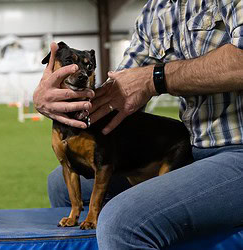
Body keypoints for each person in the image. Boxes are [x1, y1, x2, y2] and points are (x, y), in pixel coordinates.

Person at [34, 0, 243, 249]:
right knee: (59, 184)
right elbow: (122, 89)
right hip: (192, 144)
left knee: (120, 222)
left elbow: (148, 80)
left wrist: (157, 77)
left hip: (237, 150)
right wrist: (49, 100)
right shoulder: (156, 9)